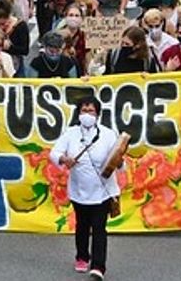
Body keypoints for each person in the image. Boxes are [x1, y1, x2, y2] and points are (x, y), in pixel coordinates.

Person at [50, 96, 123, 280]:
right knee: (82, 225)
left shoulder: (108, 134)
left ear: (98, 114)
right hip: (79, 189)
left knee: (99, 228)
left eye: (91, 111)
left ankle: (99, 267)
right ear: (78, 113)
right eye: (84, 110)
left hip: (102, 191)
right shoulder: (70, 133)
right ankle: (82, 256)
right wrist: (64, 159)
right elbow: (54, 153)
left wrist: (119, 161)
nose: (87, 114)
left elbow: (120, 162)